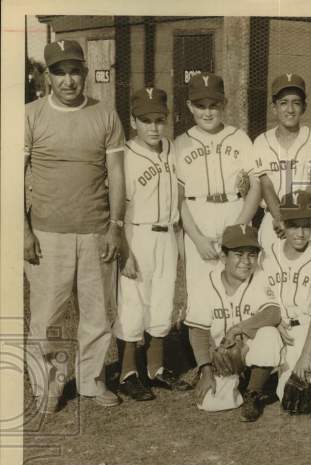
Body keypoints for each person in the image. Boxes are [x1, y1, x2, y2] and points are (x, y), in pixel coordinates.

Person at [24, 38, 128, 409]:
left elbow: (116, 175)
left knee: (97, 312)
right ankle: (48, 385)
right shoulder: (30, 115)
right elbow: (15, 177)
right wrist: (23, 231)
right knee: (47, 315)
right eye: (59, 72)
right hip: (47, 233)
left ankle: (92, 380)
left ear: (85, 73)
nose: (68, 81)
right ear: (48, 76)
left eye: (74, 71)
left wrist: (115, 224)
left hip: (96, 229)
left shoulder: (105, 114)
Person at [113, 86, 188, 402]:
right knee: (133, 303)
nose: (154, 127)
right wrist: (124, 252)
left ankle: (156, 368)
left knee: (161, 299)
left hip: (167, 233)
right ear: (133, 122)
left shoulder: (172, 148)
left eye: (159, 119)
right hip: (137, 233)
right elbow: (116, 206)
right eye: (146, 120)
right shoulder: (125, 154)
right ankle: (128, 373)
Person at [174, 73, 260, 301]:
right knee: (201, 292)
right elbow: (179, 198)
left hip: (233, 209)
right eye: (200, 106)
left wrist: (237, 230)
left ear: (224, 104)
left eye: (214, 105)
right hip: (198, 213)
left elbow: (255, 187)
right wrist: (197, 238)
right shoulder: (181, 143)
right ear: (189, 106)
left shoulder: (239, 138)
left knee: (238, 289)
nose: (207, 112)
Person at [185, 223, 283, 422]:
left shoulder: (260, 278)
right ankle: (234, 382)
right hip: (222, 360)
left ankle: (253, 392)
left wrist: (239, 328)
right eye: (239, 254)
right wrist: (205, 370)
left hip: (250, 351)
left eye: (252, 254)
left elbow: (273, 313)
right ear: (223, 256)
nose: (246, 261)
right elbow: (198, 332)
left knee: (270, 335)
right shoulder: (204, 284)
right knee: (210, 404)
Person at [259, 191, 311, 401]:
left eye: (306, 225)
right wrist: (273, 321)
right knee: (287, 394)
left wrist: (306, 354)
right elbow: (261, 297)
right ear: (282, 224)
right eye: (293, 225)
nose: (300, 233)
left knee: (302, 390)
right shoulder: (268, 255)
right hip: (281, 328)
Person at [252, 72, 311, 256]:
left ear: (304, 107)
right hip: (275, 222)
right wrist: (282, 219)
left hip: (309, 221)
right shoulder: (262, 141)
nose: (290, 109)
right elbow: (266, 185)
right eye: (283, 103)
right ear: (274, 107)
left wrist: (296, 220)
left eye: (296, 102)